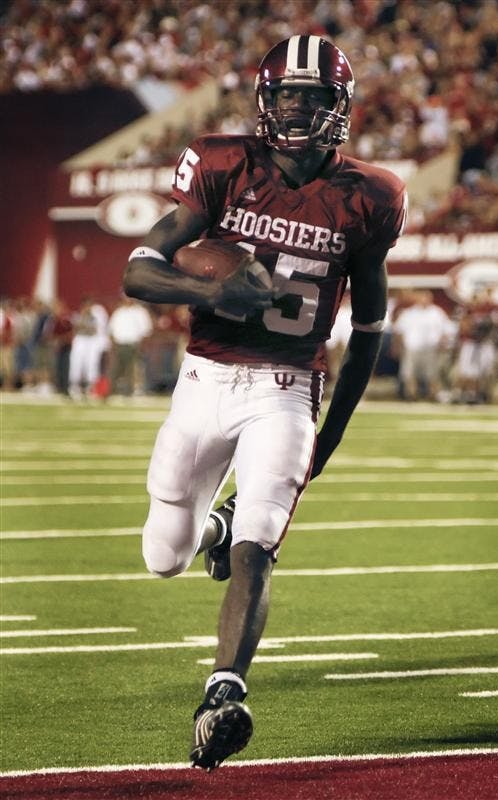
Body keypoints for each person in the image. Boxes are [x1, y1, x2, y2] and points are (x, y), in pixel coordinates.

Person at [123, 35, 407, 771]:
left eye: (314, 97)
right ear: (265, 99)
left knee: (260, 541)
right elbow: (138, 272)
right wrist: (212, 289)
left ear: (339, 106)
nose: (299, 109)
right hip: (204, 379)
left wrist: (326, 441)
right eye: (287, 95)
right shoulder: (223, 165)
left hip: (288, 388)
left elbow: (367, 332)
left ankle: (223, 693)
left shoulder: (370, 196)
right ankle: (209, 528)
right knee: (163, 555)